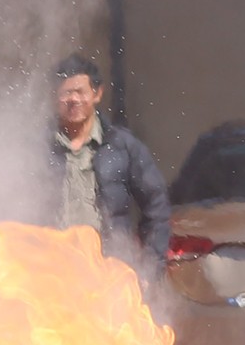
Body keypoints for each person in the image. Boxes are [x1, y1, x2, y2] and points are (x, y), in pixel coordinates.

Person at [48, 55, 171, 271]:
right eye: (66, 92)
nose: (73, 99)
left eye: (80, 91)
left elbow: (157, 207)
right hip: (53, 270)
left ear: (97, 94)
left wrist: (149, 270)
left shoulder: (122, 146)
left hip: (109, 270)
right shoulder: (39, 149)